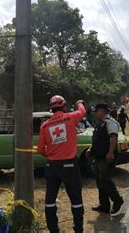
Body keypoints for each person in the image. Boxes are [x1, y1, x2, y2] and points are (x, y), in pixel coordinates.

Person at [36, 95, 85, 233]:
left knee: (50, 200)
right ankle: (78, 229)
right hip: (69, 165)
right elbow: (82, 111)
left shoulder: (45, 126)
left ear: (51, 109)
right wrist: (79, 102)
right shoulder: (71, 117)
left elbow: (40, 149)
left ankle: (53, 229)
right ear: (64, 106)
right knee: (76, 199)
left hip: (52, 166)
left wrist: (52, 155)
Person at [88, 103, 124, 215]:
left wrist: (110, 153)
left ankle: (117, 200)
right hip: (99, 157)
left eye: (96, 112)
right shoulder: (100, 124)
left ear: (102, 111)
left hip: (106, 157)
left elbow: (114, 137)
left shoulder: (110, 122)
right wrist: (90, 149)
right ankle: (104, 205)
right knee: (99, 181)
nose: (95, 114)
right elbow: (97, 140)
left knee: (105, 180)